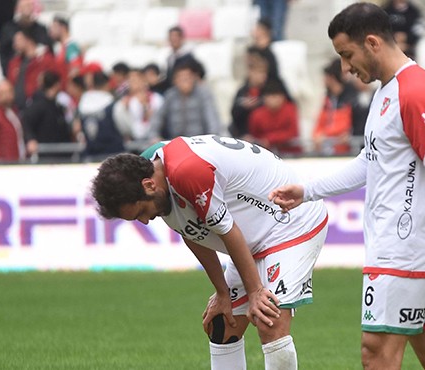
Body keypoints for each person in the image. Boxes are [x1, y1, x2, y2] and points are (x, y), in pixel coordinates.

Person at [269, 3, 425, 369]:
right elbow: (368, 164)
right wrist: (306, 191)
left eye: (347, 54)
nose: (345, 67)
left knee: (377, 353)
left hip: (404, 249)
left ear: (372, 43)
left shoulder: (414, 90)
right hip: (411, 248)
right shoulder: (388, 91)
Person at [91, 135, 328, 370]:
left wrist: (256, 290)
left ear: (149, 185)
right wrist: (222, 293)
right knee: (222, 323)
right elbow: (190, 229)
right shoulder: (147, 171)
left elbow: (227, 230)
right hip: (250, 236)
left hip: (290, 223)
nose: (144, 221)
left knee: (269, 318)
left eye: (141, 211)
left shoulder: (187, 172)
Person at [151, 62, 221, 140]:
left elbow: (212, 119)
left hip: (200, 141)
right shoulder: (170, 95)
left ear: (194, 78)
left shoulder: (203, 94)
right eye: (180, 78)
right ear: (175, 80)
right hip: (175, 141)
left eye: (187, 78)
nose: (184, 81)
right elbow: (158, 118)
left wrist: (212, 139)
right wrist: (154, 136)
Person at [21, 70, 71, 157]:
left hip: (59, 154)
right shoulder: (38, 106)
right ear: (57, 85)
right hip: (45, 155)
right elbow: (26, 122)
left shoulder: (57, 107)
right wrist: (30, 139)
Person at [312, 58, 357, 155]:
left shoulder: (351, 99)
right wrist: (317, 135)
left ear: (331, 77)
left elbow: (344, 127)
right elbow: (319, 124)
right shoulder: (328, 100)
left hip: (347, 153)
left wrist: (324, 136)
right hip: (328, 151)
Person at [6, 27, 57, 112]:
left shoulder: (45, 59)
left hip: (40, 107)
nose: (14, 45)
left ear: (28, 39)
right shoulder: (14, 63)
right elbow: (10, 83)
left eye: (17, 40)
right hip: (19, 109)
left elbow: (55, 80)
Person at [247, 78, 301, 156]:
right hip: (265, 154)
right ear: (264, 98)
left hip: (290, 153)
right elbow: (255, 136)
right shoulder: (257, 114)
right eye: (269, 96)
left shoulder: (290, 109)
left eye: (275, 96)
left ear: (283, 97)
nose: (273, 100)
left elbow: (292, 133)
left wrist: (270, 139)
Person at [0, 0, 53, 76]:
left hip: (39, 71)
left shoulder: (41, 29)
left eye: (30, 5)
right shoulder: (8, 29)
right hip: (17, 72)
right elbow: (3, 54)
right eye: (24, 6)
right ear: (18, 8)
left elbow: (49, 49)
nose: (28, 8)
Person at [78, 71, 123, 159]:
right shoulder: (112, 104)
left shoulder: (83, 103)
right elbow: (124, 128)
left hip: (90, 154)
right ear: (107, 84)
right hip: (112, 155)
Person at [113, 68, 164, 144]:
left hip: (154, 140)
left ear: (144, 81)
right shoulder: (123, 103)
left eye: (136, 80)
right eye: (130, 80)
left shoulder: (157, 98)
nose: (133, 83)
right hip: (133, 141)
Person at [49, 15, 82, 83]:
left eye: (54, 27)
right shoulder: (60, 47)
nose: (51, 31)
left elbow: (75, 69)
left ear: (63, 28)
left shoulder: (71, 47)